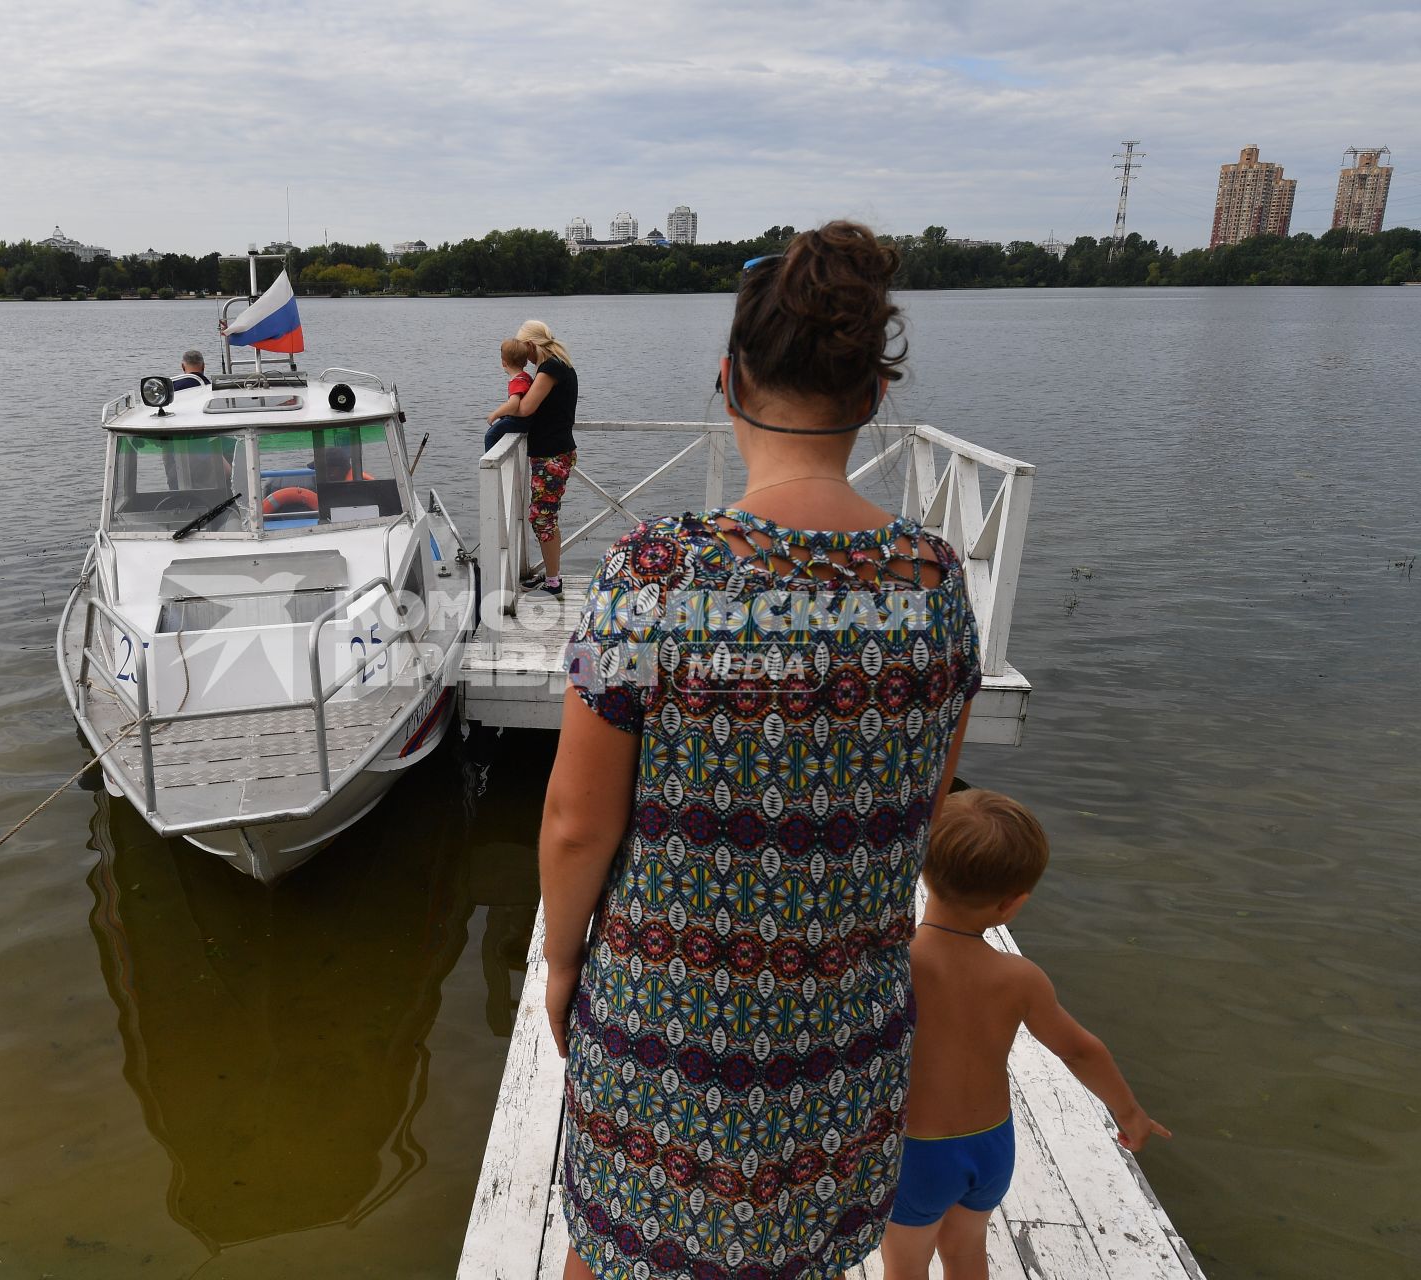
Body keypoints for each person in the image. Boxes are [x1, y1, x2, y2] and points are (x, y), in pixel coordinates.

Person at [540, 222, 982, 1280]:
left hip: (663, 1030)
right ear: (874, 393)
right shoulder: (934, 581)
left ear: (728, 378)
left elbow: (575, 819)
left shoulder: (653, 573)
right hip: (841, 1037)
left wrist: (561, 961)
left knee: (609, 1253)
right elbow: (922, 808)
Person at [882, 789, 1169, 1280]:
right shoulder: (1021, 978)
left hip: (919, 1151)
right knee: (967, 1249)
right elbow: (1081, 1049)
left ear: (923, 872)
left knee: (907, 1263)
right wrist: (1130, 1112)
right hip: (992, 1144)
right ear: (1013, 904)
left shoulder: (895, 966)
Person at [496, 319, 578, 595]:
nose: (523, 354)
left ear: (531, 345)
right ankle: (551, 576)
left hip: (552, 455)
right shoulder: (560, 364)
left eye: (523, 348)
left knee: (543, 518)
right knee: (545, 516)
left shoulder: (550, 368)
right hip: (555, 451)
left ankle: (554, 582)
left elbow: (527, 408)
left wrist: (503, 409)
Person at [483, 337, 534, 454]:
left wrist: (495, 414)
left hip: (520, 422)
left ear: (503, 362)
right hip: (527, 420)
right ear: (525, 362)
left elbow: (513, 405)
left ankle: (491, 464)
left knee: (491, 435)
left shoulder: (517, 381)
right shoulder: (526, 377)